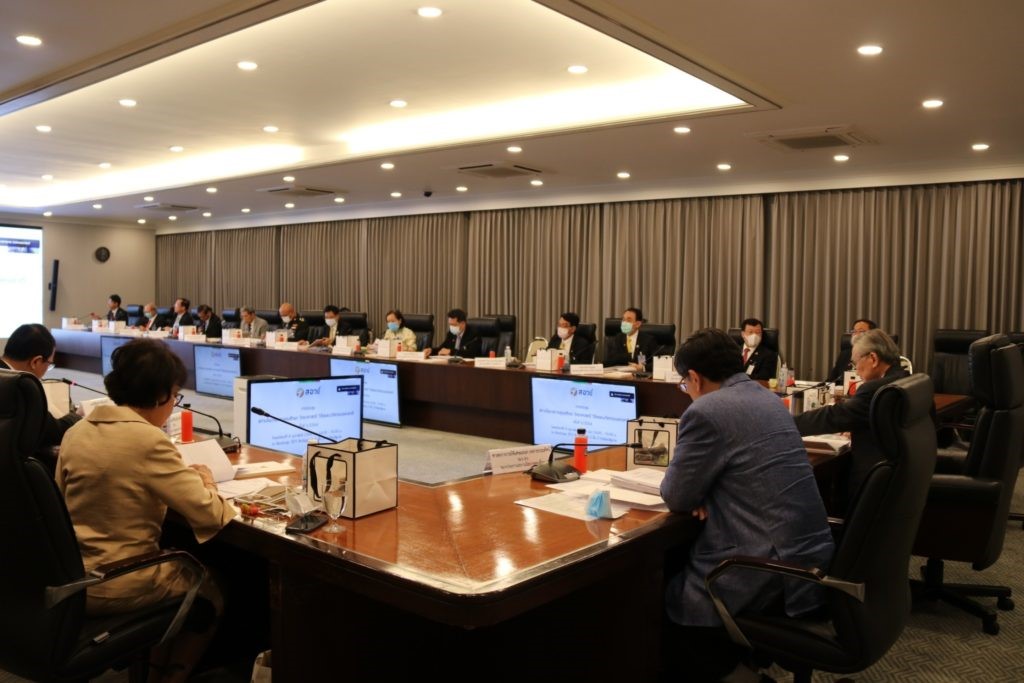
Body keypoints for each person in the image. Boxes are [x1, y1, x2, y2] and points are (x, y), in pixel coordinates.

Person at [56, 339, 235, 682]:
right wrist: (206, 481)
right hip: (120, 582)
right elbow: (211, 515)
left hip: (73, 576)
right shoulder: (148, 440)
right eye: (176, 396)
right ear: (161, 396)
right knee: (212, 585)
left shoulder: (76, 432)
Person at [660, 328, 834, 681]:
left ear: (694, 378)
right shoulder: (766, 396)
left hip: (761, 564)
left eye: (684, 385)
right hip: (807, 556)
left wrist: (699, 491)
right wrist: (707, 491)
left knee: (665, 602)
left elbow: (676, 495)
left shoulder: (707, 410)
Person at [795, 328, 907, 509]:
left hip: (873, 483)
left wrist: (787, 423)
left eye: (856, 363)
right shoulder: (907, 379)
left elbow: (833, 417)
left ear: (873, 358)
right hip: (901, 477)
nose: (856, 370)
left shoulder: (875, 389)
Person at [1, 323, 81, 452]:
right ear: (35, 362)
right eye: (49, 364)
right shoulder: (22, 385)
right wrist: (76, 416)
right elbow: (54, 431)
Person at [826, 318, 877, 384]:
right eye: (854, 331)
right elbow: (830, 381)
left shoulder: (876, 355)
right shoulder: (845, 355)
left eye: (861, 331)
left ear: (872, 334)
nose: (856, 335)